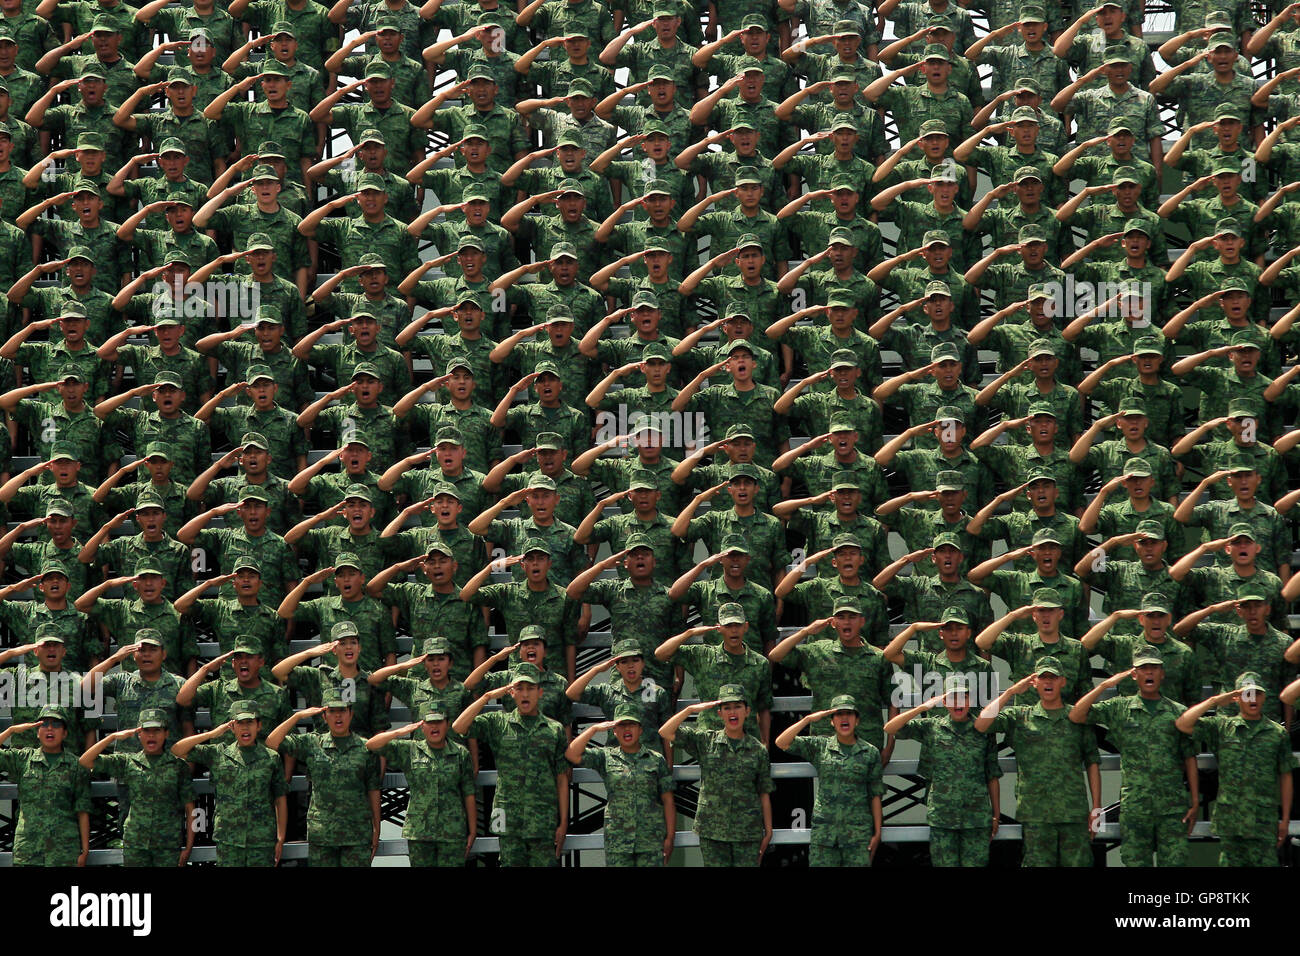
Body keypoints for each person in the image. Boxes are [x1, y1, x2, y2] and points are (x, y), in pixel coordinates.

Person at [1069, 649, 1199, 867]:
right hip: (1136, 807)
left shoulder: (1178, 712)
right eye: (1143, 669)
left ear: (1162, 673)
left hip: (1172, 806)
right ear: (1134, 674)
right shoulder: (1120, 707)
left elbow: (1190, 757)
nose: (1149, 673)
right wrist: (1103, 686)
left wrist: (1195, 801)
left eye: (1154, 668)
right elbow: (1076, 715)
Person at [975, 661, 1102, 867]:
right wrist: (1011, 691)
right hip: (1036, 813)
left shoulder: (1076, 717)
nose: (1048, 682)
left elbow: (1092, 762)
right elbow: (981, 724)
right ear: (1034, 683)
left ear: (1063, 681)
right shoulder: (1021, 716)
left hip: (1073, 811)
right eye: (1043, 678)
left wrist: (1096, 807)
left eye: (1053, 678)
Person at [452, 662, 569, 867]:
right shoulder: (499, 723)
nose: (525, 694)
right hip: (507, 817)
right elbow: (459, 726)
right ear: (511, 693)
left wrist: (563, 822)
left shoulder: (554, 730)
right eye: (520, 688)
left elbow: (561, 778)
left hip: (542, 817)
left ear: (540, 692)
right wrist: (487, 697)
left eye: (530, 688)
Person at [1176, 672, 1297, 866]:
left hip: (1263, 820)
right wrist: (1215, 700)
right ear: (1236, 698)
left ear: (1264, 697)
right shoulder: (1222, 727)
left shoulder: (1277, 733)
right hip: (1231, 820)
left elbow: (1286, 775)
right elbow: (1183, 724)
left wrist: (1285, 819)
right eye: (1246, 694)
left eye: (1257, 693)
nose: (1252, 699)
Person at [884, 676, 1001, 866]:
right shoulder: (932, 727)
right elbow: (891, 728)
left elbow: (992, 775)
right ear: (944, 702)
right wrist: (922, 708)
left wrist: (995, 814)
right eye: (953, 698)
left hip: (976, 818)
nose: (958, 704)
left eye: (963, 698)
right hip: (942, 818)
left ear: (970, 700)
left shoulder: (983, 730)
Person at [659, 684, 774, 867]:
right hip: (712, 831)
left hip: (747, 831)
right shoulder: (706, 741)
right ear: (720, 713)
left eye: (737, 706)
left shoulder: (758, 750)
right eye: (726, 708)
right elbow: (665, 731)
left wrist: (768, 831)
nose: (732, 712)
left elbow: (764, 792)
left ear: (747, 711)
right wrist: (690, 710)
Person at [267, 695, 382, 867]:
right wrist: (297, 717)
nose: (338, 716)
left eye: (342, 711)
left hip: (356, 834)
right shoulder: (313, 743)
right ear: (324, 716)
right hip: (322, 835)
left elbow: (373, 790)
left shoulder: (366, 748)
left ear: (351, 714)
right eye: (332, 711)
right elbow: (272, 742)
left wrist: (376, 829)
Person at [172, 702, 288, 866]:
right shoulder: (219, 753)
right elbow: (177, 750)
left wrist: (280, 838)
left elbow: (280, 798)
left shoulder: (271, 758)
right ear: (232, 727)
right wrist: (213, 733)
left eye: (250, 722)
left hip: (261, 840)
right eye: (239, 723)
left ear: (259, 725)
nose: (245, 728)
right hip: (229, 839)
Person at [78, 707, 196, 866]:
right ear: (139, 734)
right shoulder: (128, 762)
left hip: (168, 844)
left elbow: (190, 808)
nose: (152, 735)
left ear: (166, 733)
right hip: (136, 843)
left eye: (157, 730)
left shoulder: (178, 766)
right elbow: (85, 761)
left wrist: (188, 846)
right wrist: (112, 737)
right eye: (146, 731)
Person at [775, 695, 883, 866]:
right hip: (825, 835)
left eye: (849, 713)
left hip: (856, 835)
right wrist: (809, 719)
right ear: (832, 721)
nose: (844, 718)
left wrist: (877, 832)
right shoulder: (821, 746)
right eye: (839, 714)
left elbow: (875, 793)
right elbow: (781, 742)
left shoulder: (870, 753)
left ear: (857, 720)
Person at [565, 703, 675, 867]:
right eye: (621, 725)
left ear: (640, 730)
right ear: (614, 731)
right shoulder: (605, 756)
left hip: (650, 840)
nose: (627, 730)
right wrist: (594, 729)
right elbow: (571, 753)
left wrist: (670, 837)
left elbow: (668, 800)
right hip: (618, 840)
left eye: (632, 724)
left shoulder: (656, 759)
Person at [366, 709, 477, 867]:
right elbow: (371, 745)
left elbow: (469, 793)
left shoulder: (460, 754)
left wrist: (472, 830)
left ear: (447, 724)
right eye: (429, 723)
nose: (434, 727)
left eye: (439, 722)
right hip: (420, 832)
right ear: (422, 726)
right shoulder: (410, 750)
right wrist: (399, 732)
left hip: (452, 831)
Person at [0, 705, 91, 866]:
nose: (50, 729)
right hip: (28, 849)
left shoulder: (76, 766)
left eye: (56, 724)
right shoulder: (23, 759)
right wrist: (11, 731)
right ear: (37, 731)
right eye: (44, 724)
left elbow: (82, 809)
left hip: (63, 850)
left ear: (65, 733)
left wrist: (85, 850)